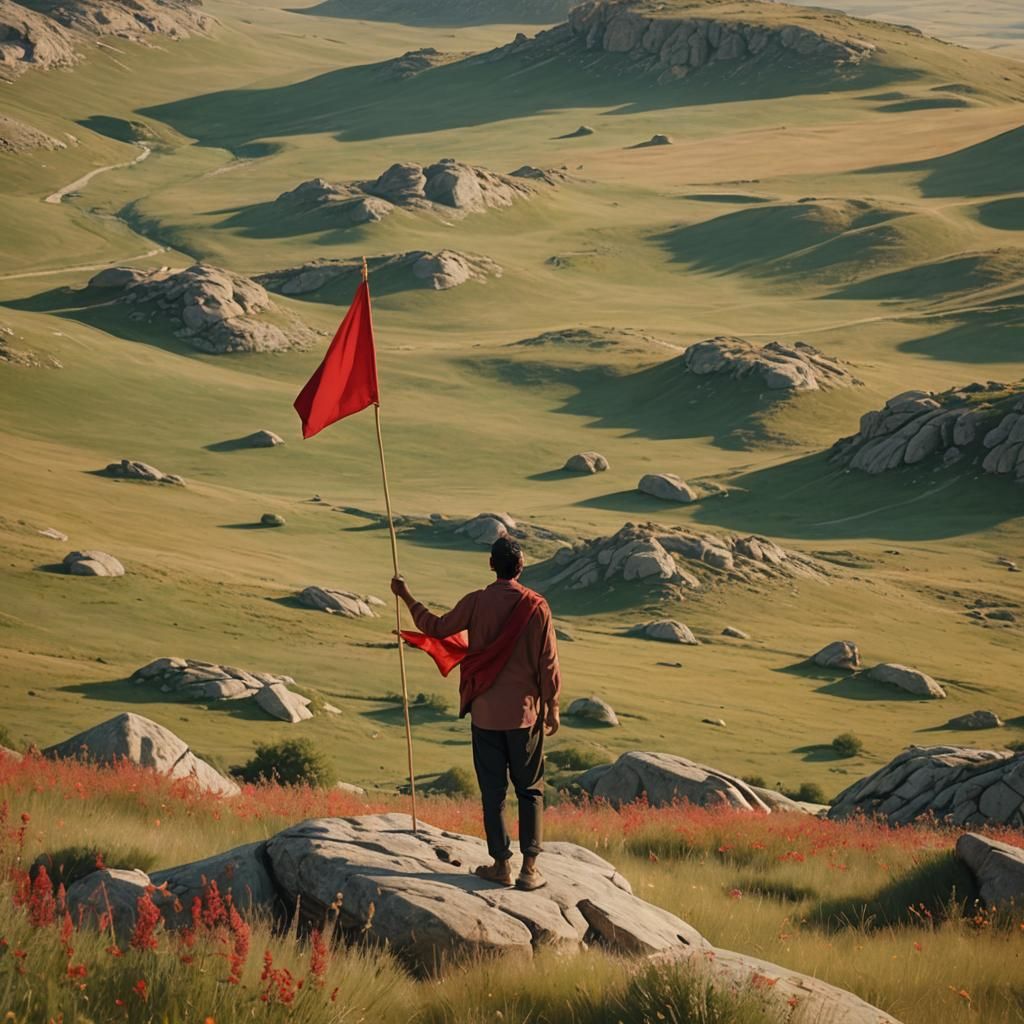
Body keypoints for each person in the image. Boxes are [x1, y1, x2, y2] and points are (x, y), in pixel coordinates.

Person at [391, 536, 561, 891]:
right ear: (521, 566)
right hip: (524, 716)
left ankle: (501, 865)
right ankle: (530, 870)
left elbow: (435, 628)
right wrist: (552, 707)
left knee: (493, 792)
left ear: (491, 565)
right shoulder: (537, 607)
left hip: (484, 713)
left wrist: (405, 595)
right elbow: (548, 664)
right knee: (530, 790)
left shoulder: (476, 602)